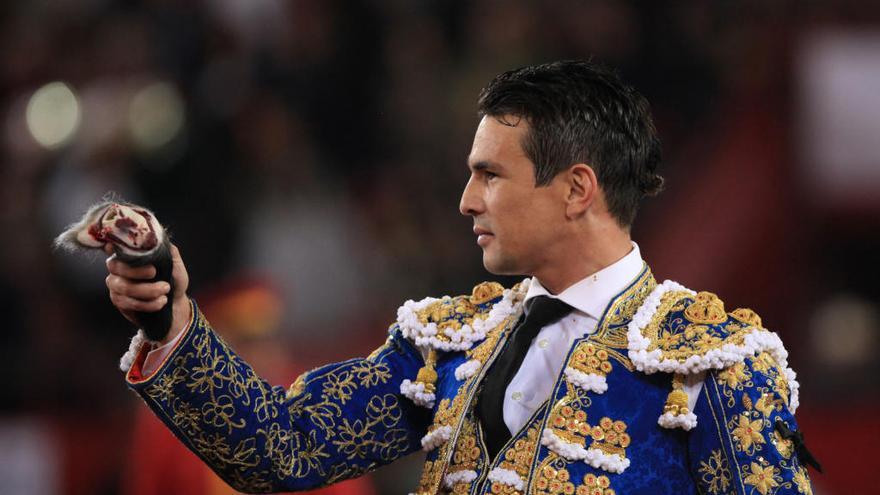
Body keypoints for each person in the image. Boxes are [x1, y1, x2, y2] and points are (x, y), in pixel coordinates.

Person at [106, 61, 817, 494]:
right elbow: (281, 446)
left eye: (491, 175)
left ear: (576, 189)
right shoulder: (449, 344)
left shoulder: (709, 363)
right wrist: (171, 321)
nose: (466, 201)